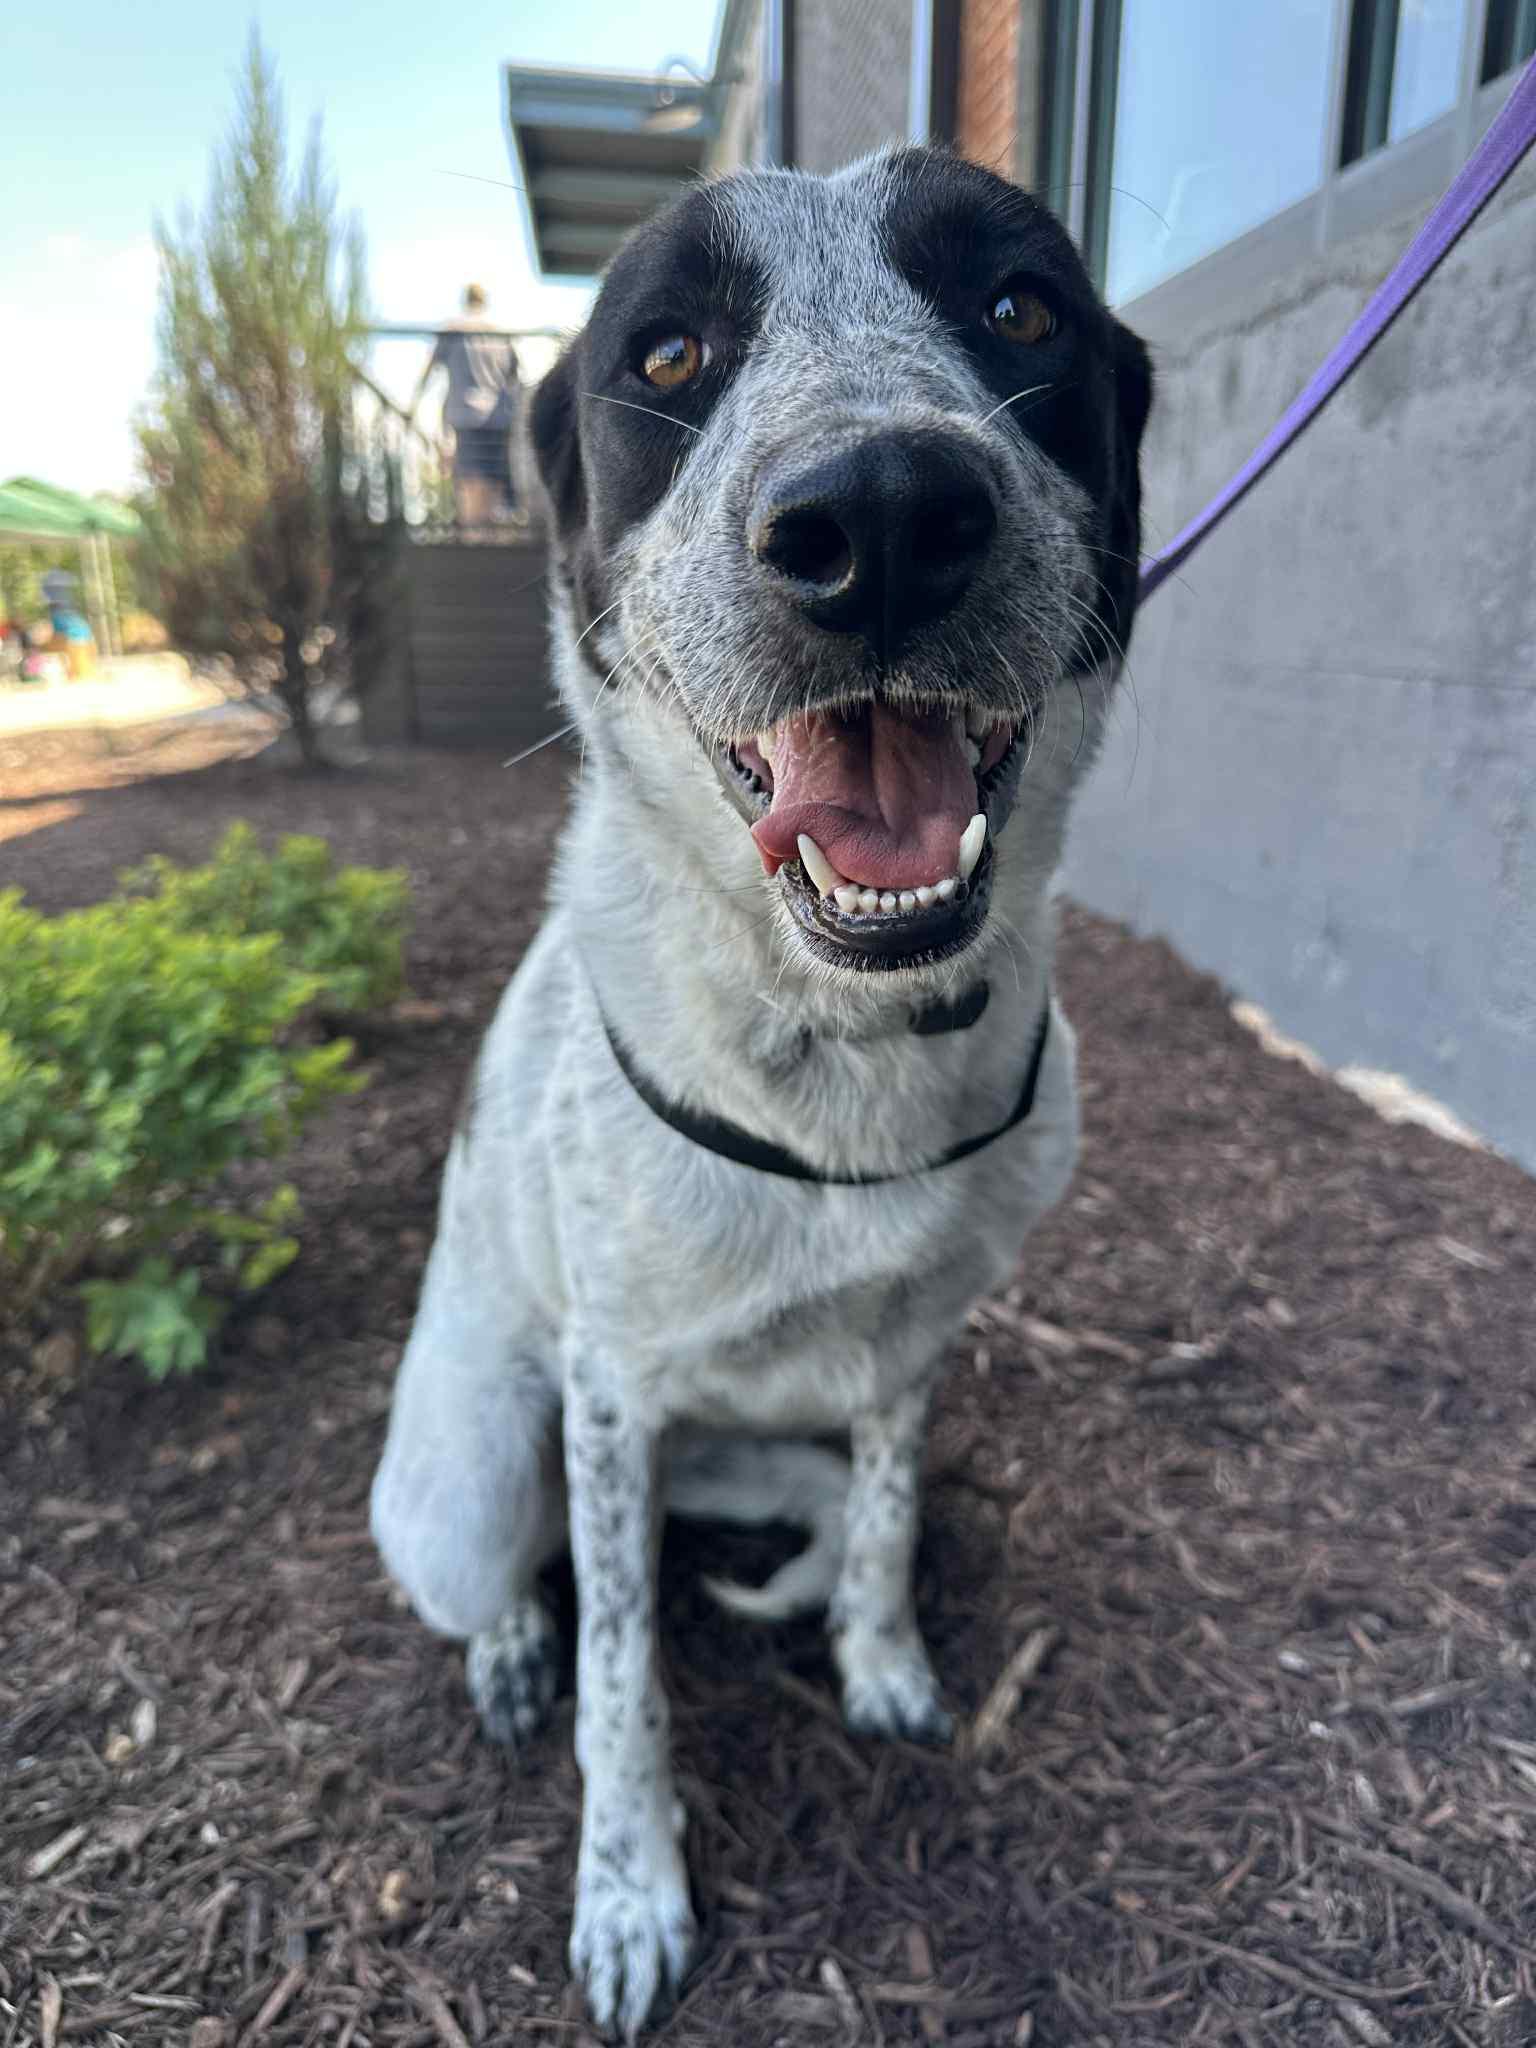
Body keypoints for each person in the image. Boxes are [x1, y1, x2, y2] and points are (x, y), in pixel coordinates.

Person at [411, 285, 520, 526]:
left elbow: (429, 371)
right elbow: (515, 377)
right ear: (484, 301)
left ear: (466, 300)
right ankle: (490, 546)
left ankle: (474, 541)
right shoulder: (502, 334)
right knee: (494, 484)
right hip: (499, 418)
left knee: (471, 483)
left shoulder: (454, 329)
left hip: (466, 415)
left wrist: (414, 405)